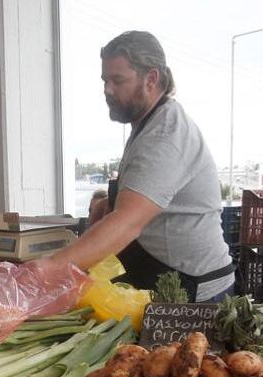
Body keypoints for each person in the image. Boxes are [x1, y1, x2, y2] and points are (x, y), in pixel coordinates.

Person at [40, 31, 234, 302]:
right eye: (105, 80)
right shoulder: (148, 124)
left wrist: (45, 271)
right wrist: (107, 204)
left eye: (118, 80)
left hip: (196, 292)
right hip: (160, 275)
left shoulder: (165, 134)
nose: (107, 90)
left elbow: (127, 223)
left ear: (151, 79)